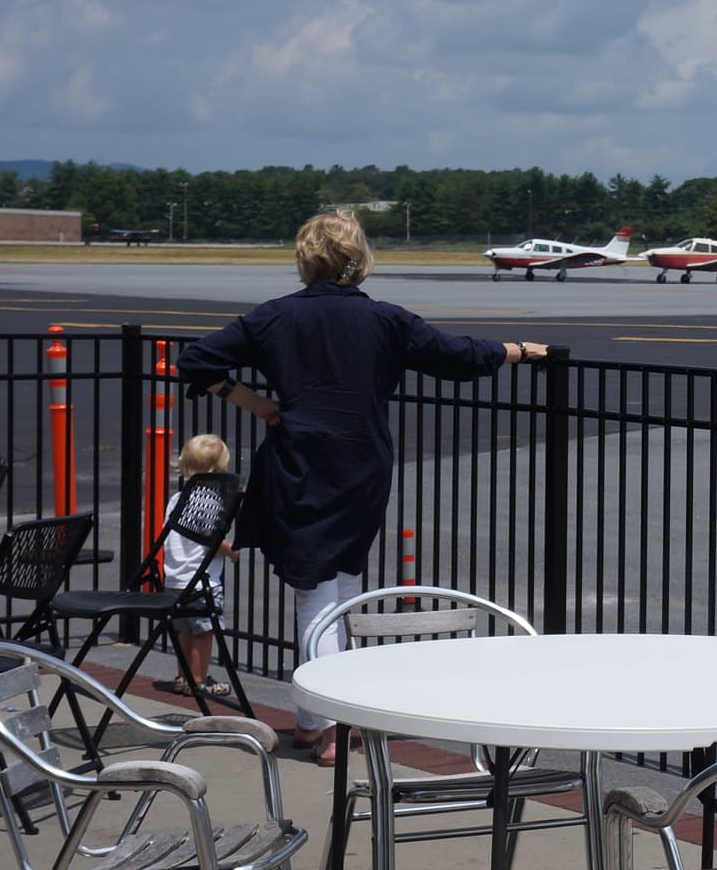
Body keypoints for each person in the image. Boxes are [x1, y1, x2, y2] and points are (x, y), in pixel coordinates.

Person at [178, 209, 549, 765]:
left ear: (306, 258)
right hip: (361, 466)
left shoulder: (276, 318)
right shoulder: (384, 320)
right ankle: (324, 724)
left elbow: (196, 359)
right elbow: (454, 355)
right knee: (342, 588)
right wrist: (518, 351)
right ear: (359, 258)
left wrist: (254, 403)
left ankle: (320, 724)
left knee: (314, 593)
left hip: (299, 462)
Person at [161, 433, 237, 700]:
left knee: (183, 631)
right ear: (221, 469)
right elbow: (211, 542)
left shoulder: (178, 499)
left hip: (174, 581)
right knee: (204, 633)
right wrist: (231, 551)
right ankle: (198, 680)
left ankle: (183, 677)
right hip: (201, 583)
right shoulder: (212, 503)